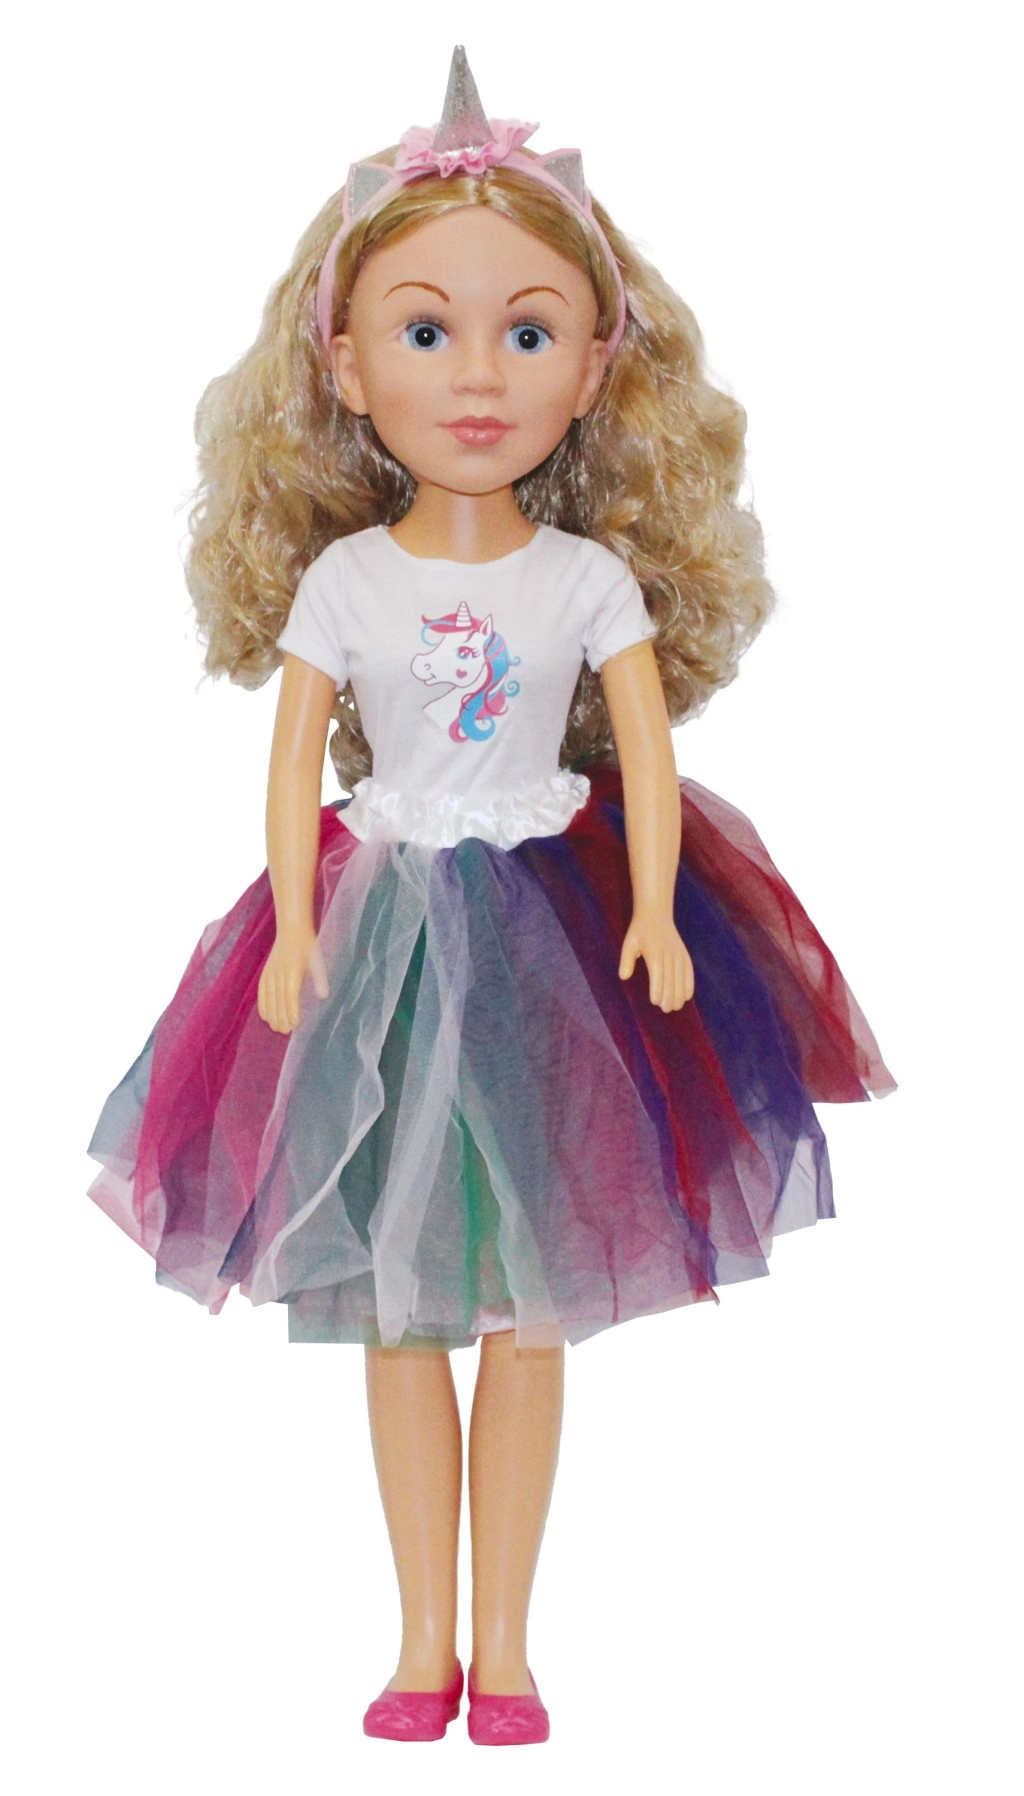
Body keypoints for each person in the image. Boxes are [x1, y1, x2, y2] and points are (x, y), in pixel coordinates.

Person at [86, 46, 896, 1746]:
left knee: (532, 1306)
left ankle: (507, 1647)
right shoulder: (342, 579)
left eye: (527, 333)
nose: (475, 374)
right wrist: (295, 927)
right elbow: (292, 768)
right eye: (424, 331)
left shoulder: (587, 578)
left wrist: (658, 910)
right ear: (342, 361)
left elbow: (648, 759)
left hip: (554, 941)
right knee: (397, 1310)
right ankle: (417, 1641)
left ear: (596, 365)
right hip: (378, 933)